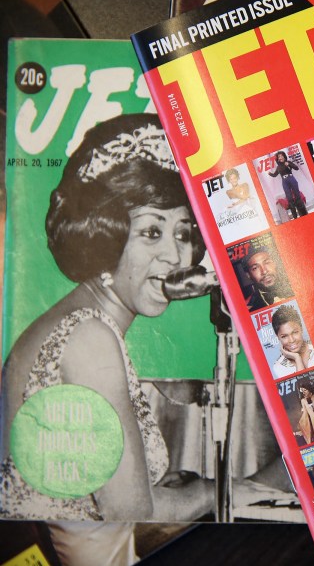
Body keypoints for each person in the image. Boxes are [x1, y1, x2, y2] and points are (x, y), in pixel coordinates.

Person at [1, 114, 215, 525]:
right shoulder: (90, 337)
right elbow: (134, 515)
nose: (175, 256)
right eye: (152, 232)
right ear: (107, 233)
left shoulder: (82, 319)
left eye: (184, 233)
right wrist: (214, 491)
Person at [269, 304, 314, 378]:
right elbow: (304, 386)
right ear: (278, 337)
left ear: (301, 329)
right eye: (284, 336)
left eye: (295, 332)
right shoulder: (279, 367)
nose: (291, 340)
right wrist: (297, 358)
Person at [243, 246, 292, 311]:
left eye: (267, 263)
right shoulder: (248, 308)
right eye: (255, 268)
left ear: (275, 263)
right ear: (249, 275)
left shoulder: (297, 286)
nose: (264, 271)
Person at [267, 150, 306, 219]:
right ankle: (295, 217)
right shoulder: (278, 167)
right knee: (289, 199)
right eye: (279, 156)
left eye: (282, 155)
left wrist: (289, 164)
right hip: (284, 182)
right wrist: (270, 174)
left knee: (297, 196)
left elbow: (296, 168)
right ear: (278, 159)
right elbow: (275, 175)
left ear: (284, 156)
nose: (281, 157)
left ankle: (303, 214)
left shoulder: (288, 162)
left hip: (291, 179)